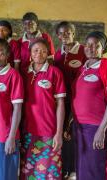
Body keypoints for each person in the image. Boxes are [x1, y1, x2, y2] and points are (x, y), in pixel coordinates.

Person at [72, 31, 107, 180]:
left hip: (96, 128)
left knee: (95, 171)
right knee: (82, 169)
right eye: (88, 44)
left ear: (103, 49)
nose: (91, 48)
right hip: (80, 127)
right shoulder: (83, 69)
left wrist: (101, 130)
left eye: (96, 45)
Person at [20, 38, 65, 180]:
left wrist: (58, 133)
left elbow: (61, 104)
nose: (39, 54)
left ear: (48, 54)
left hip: (49, 132)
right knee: (28, 171)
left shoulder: (55, 73)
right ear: (30, 53)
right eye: (36, 50)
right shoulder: (23, 73)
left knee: (48, 173)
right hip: (28, 131)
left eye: (44, 51)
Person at [0, 39, 24, 180]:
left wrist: (11, 137)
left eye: (1, 53)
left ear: (7, 55)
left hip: (5, 136)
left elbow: (18, 109)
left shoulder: (13, 75)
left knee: (4, 174)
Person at [54, 21, 86, 179]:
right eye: (61, 33)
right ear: (58, 36)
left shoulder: (83, 51)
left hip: (78, 100)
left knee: (73, 133)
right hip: (62, 99)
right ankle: (64, 168)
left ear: (74, 34)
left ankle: (73, 170)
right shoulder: (58, 53)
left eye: (68, 32)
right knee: (63, 133)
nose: (64, 36)